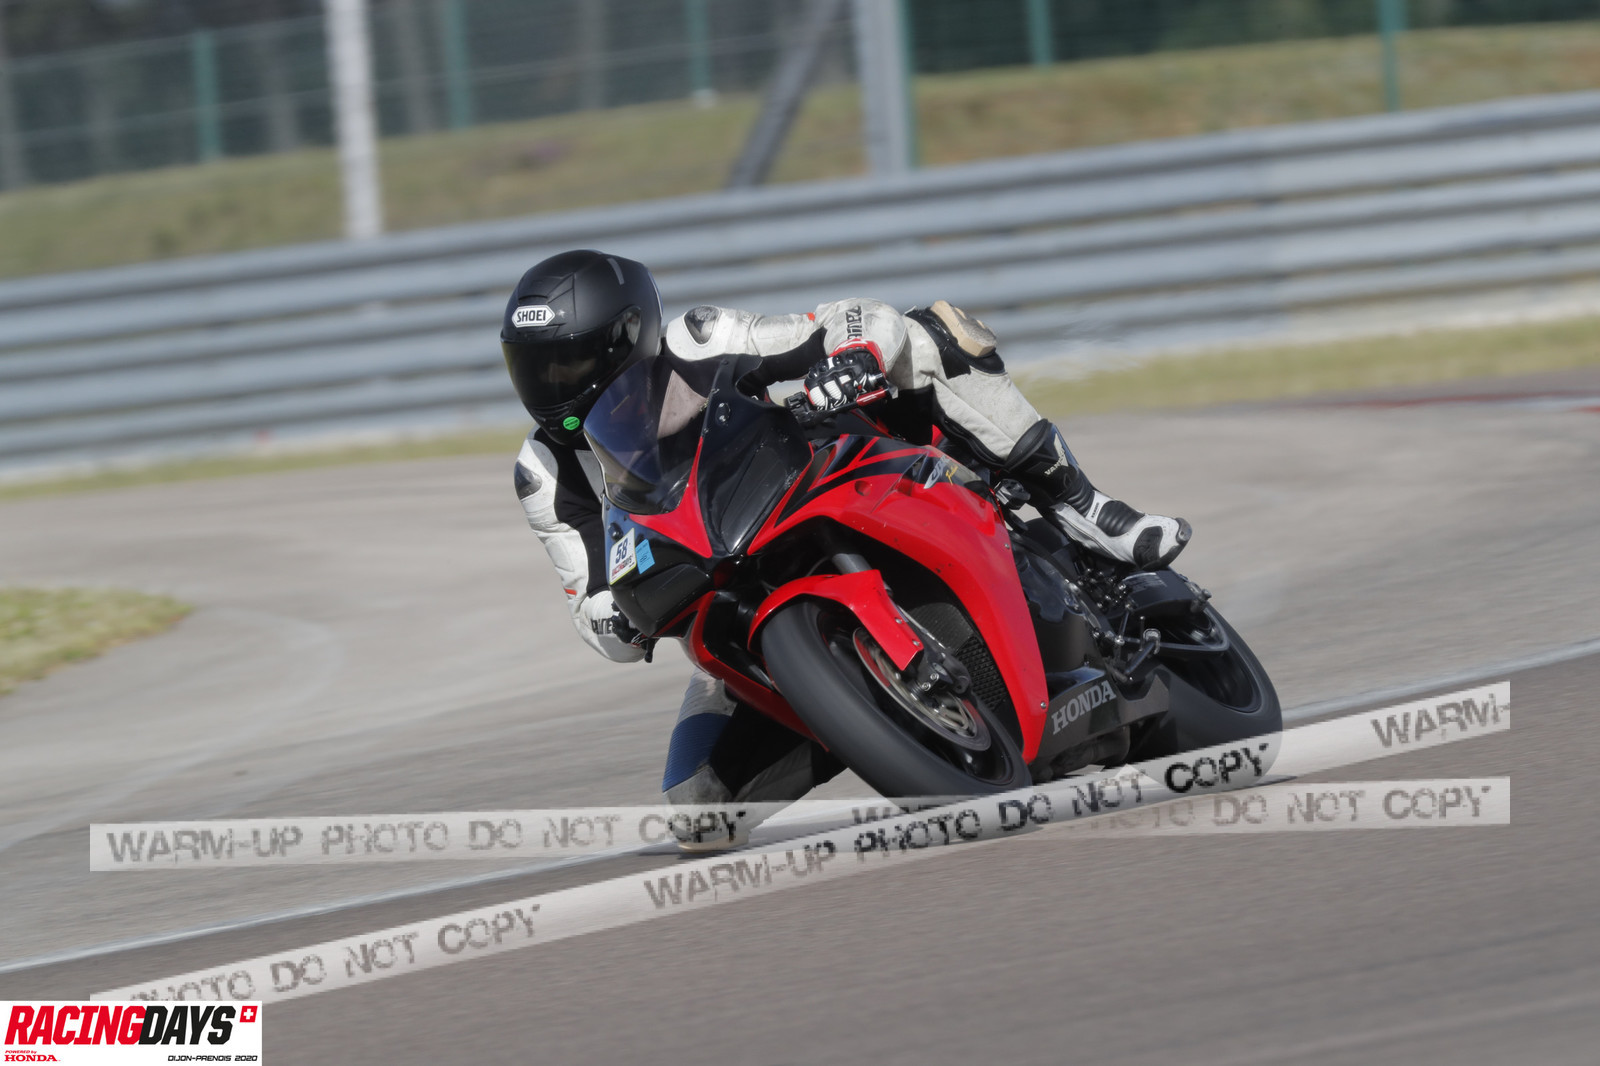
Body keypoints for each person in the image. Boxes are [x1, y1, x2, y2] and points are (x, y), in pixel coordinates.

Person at [502, 249, 1189, 840]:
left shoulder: (699, 340)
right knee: (697, 811)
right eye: (534, 369)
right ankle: (858, 710)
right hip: (735, 608)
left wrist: (851, 357)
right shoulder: (544, 471)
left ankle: (1083, 507)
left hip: (826, 488)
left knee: (928, 334)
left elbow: (858, 318)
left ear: (629, 335)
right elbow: (590, 608)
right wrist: (619, 617)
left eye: (569, 363)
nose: (553, 386)